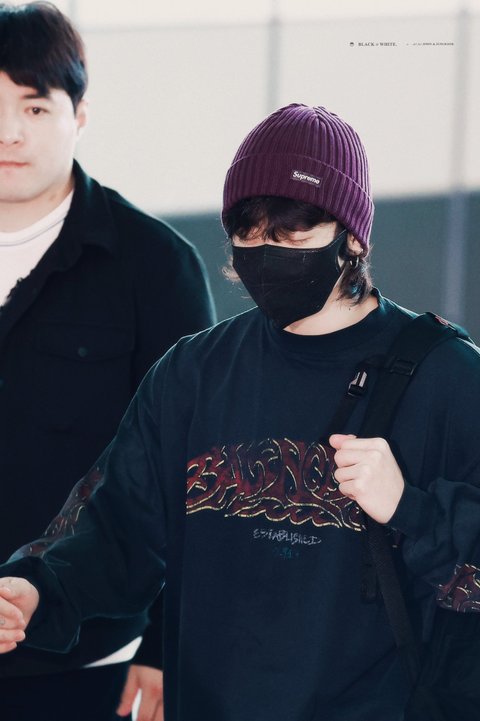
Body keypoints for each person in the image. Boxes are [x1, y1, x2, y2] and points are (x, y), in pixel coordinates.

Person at [1, 102, 480, 721]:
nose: (266, 252)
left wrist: (409, 508)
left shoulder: (447, 377)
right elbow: (115, 530)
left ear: (354, 236)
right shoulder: (194, 373)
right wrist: (35, 588)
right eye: (249, 234)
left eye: (293, 235)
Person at [0, 2, 215, 720]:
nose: (9, 132)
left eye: (34, 106)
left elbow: (197, 466)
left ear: (80, 115)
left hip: (88, 659)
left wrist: (168, 639)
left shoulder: (154, 267)